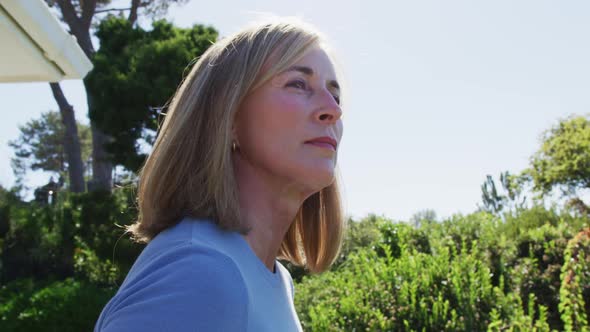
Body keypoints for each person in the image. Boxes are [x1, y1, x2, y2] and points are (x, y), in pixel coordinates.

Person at [94, 17, 345, 332]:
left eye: (335, 95)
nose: (332, 110)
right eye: (297, 83)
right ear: (228, 117)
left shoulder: (270, 279)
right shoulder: (200, 271)